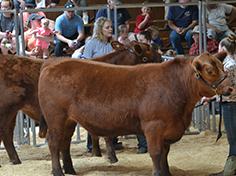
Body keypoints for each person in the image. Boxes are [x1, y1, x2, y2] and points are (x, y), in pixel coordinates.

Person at [77, 17, 122, 152]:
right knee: (94, 114)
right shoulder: (92, 43)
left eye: (111, 27)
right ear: (100, 29)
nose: (111, 29)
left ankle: (113, 141)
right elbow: (84, 63)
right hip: (95, 84)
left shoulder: (112, 43)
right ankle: (92, 144)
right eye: (107, 27)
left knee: (112, 112)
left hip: (111, 83)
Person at [207, 34, 236, 176]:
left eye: (219, 46)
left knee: (233, 138)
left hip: (231, 103)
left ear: (224, 48)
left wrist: (211, 97)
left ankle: (230, 171)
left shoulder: (229, 66)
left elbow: (227, 90)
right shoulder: (232, 62)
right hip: (231, 103)